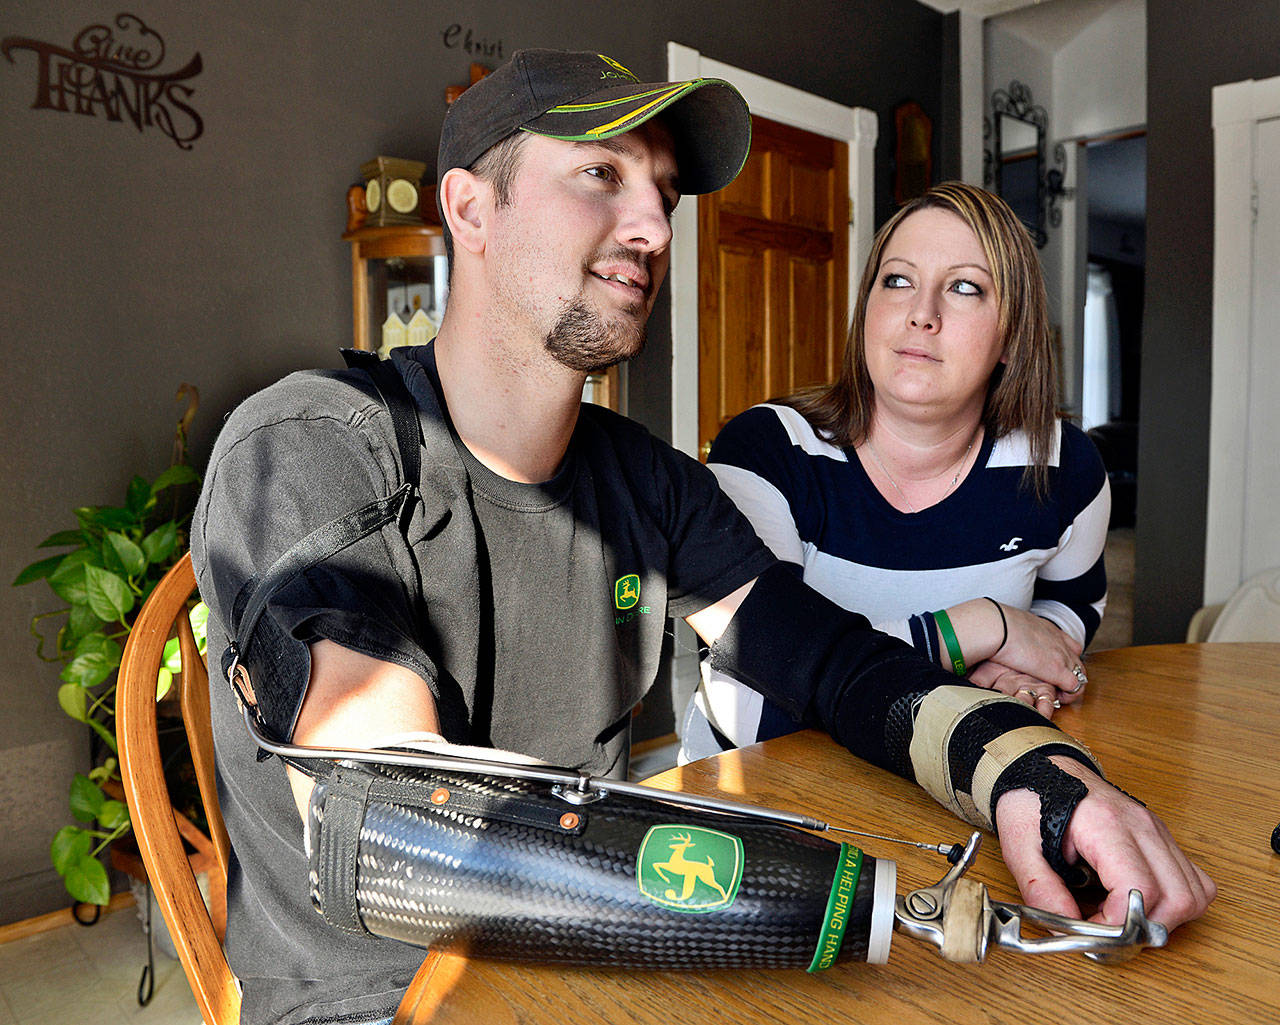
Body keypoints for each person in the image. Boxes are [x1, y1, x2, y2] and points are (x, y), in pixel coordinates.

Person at [191, 49, 1213, 1025]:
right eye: (601, 173)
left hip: (589, 964)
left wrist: (1030, 768)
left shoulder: (648, 482)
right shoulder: (315, 442)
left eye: (665, 191)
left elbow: (831, 664)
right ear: (470, 207)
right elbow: (403, 832)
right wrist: (871, 905)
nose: (650, 224)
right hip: (387, 995)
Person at [680, 181, 1107, 762]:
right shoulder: (769, 452)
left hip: (948, 783)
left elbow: (1073, 606)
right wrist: (981, 629)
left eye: (964, 288)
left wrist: (1019, 663)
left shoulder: (1063, 468)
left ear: (1012, 336)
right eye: (898, 280)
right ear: (867, 311)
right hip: (759, 798)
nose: (920, 314)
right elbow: (758, 704)